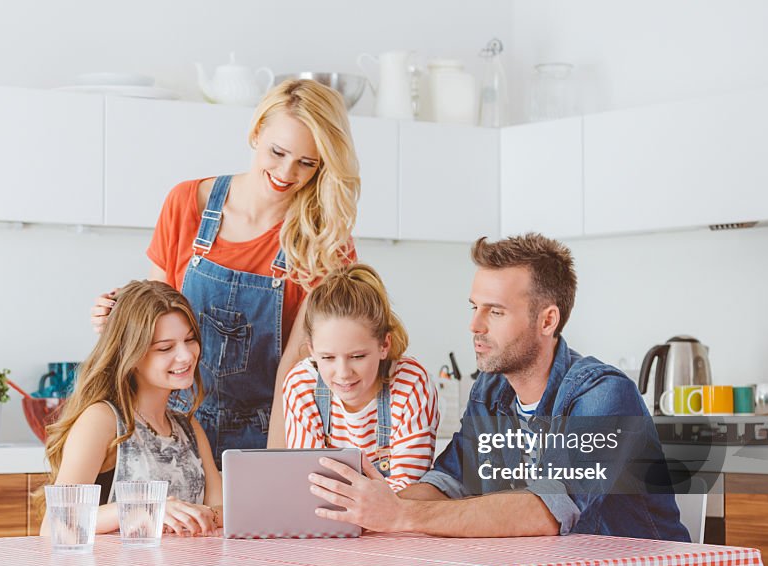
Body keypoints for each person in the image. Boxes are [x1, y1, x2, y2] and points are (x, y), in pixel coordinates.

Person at [308, 233, 690, 541]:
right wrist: (367, 512)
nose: (475, 326)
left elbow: (548, 512)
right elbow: (450, 482)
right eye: (473, 307)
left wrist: (402, 514)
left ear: (547, 320)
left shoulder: (604, 396)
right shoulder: (492, 390)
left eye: (495, 311)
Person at [91, 79, 360, 466]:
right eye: (278, 152)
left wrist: (274, 465)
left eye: (307, 162)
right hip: (175, 423)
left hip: (269, 429)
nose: (286, 173)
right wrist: (119, 322)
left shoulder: (323, 241)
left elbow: (294, 371)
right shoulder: (186, 204)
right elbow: (155, 330)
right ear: (256, 132)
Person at [41, 280, 222, 536]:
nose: (186, 355)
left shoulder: (189, 428)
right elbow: (55, 524)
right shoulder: (101, 420)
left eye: (190, 340)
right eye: (165, 348)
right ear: (131, 354)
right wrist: (141, 508)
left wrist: (206, 514)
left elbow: (223, 508)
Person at [283, 264, 438, 491]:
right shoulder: (301, 385)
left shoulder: (411, 384)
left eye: (357, 356)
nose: (343, 373)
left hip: (395, 521)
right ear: (312, 350)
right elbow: (306, 485)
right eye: (327, 357)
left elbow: (408, 493)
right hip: (326, 520)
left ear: (384, 345)